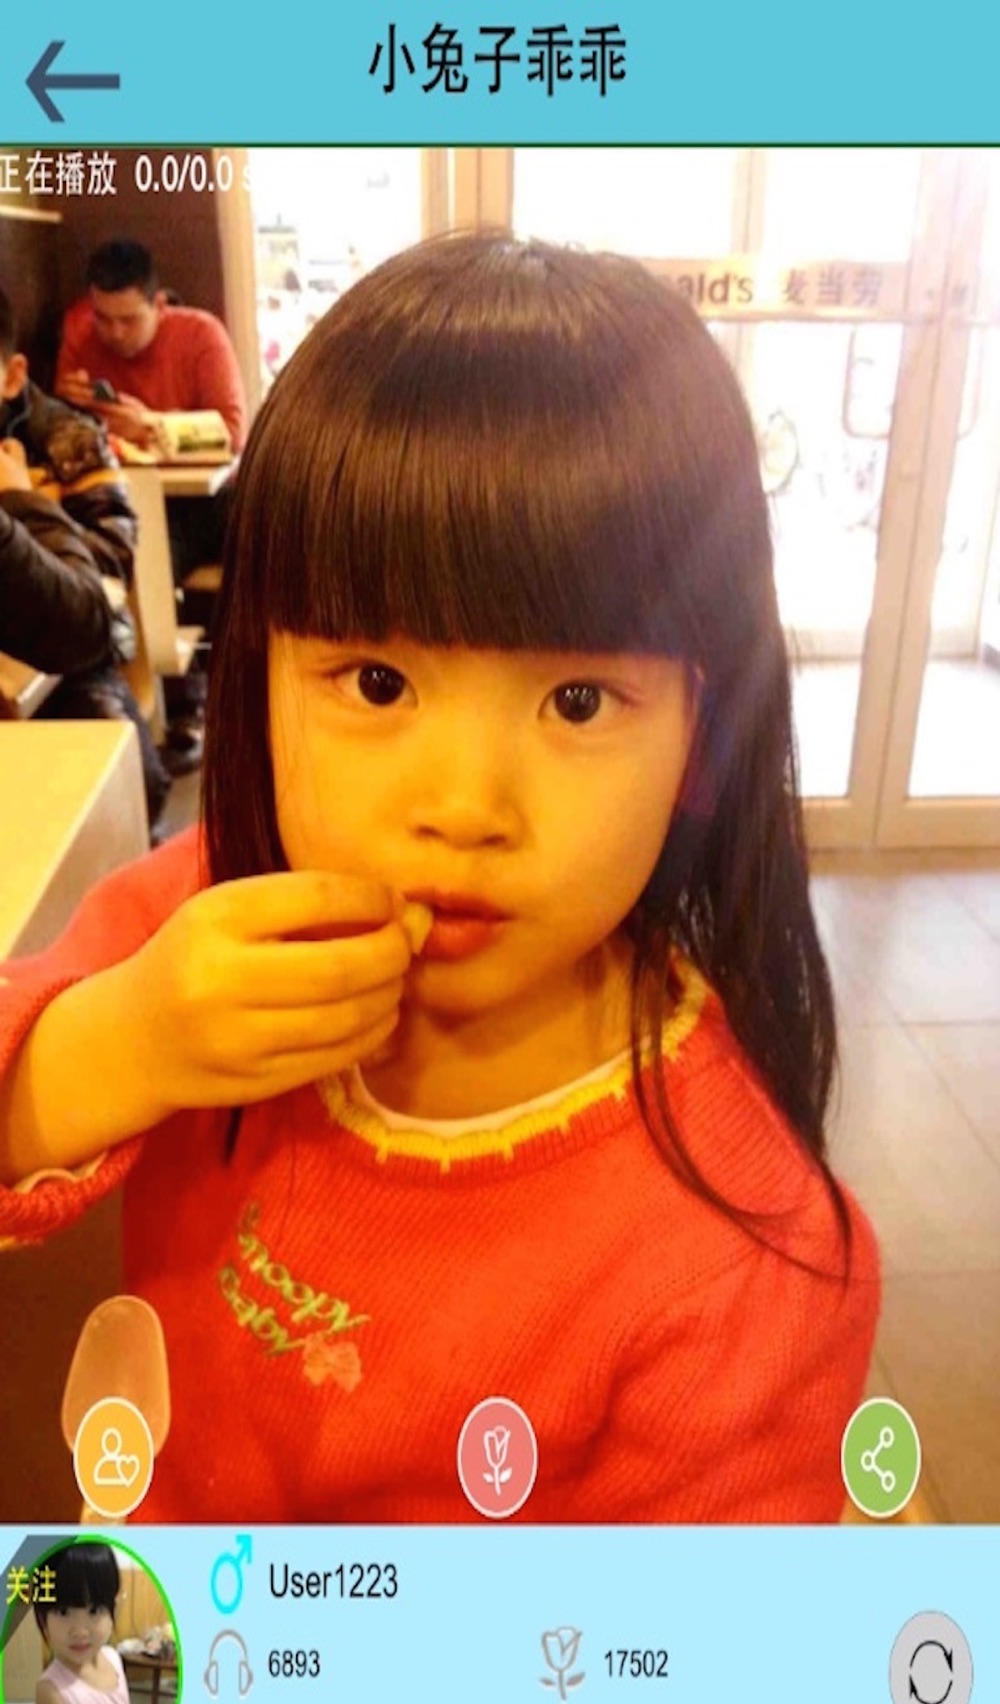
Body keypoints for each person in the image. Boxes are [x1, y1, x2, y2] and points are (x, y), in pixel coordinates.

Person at [0, 234, 880, 1525]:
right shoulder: (211, 912)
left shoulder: (744, 1261)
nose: (464, 807)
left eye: (578, 700)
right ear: (262, 672)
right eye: (377, 682)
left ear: (705, 728)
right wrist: (120, 1042)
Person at [0, 287, 171, 835]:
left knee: (125, 790)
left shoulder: (68, 437)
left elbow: (103, 582)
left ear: (12, 377)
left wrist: (21, 503)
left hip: (68, 667)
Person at [55, 238, 247, 455]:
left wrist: (151, 424)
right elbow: (60, 437)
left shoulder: (202, 334)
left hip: (195, 475)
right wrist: (62, 407)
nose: (116, 333)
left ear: (159, 305)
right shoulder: (80, 336)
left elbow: (233, 433)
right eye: (102, 318)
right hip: (114, 472)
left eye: (129, 320)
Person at [33, 1541, 143, 1704]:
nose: (80, 1631)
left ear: (114, 1608)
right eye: (63, 1611)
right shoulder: (51, 1692)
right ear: (42, 1617)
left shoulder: (113, 1658)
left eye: (94, 1610)